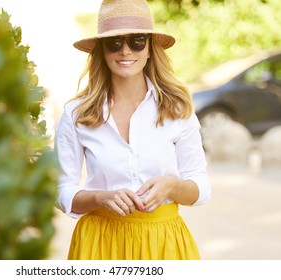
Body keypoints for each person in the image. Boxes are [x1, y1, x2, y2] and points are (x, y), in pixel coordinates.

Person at [54, 0, 211, 260]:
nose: (125, 50)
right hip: (99, 243)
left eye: (137, 40)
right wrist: (100, 198)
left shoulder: (177, 109)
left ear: (150, 49)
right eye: (114, 42)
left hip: (164, 243)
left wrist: (171, 186)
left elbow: (201, 187)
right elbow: (60, 190)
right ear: (102, 51)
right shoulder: (77, 113)